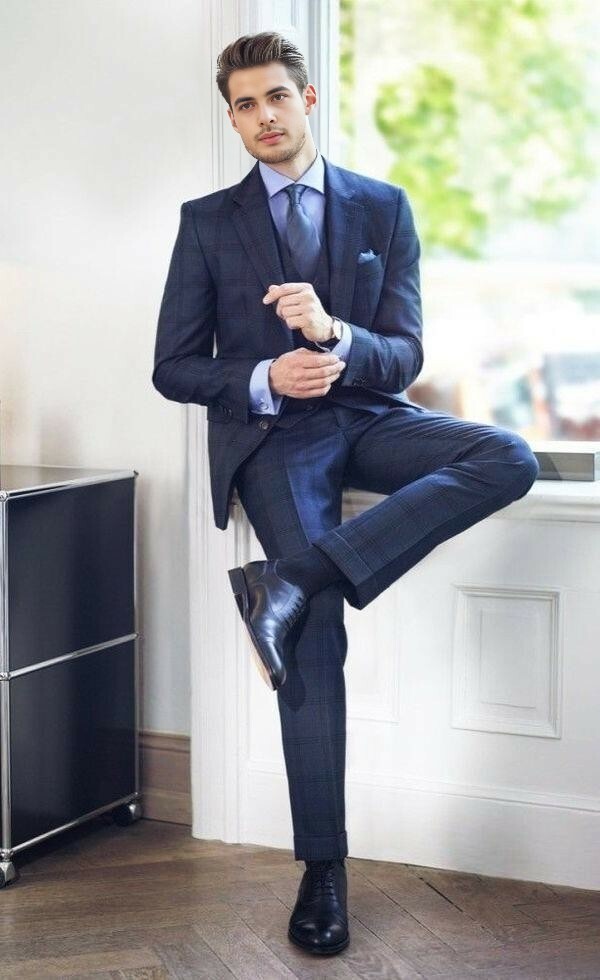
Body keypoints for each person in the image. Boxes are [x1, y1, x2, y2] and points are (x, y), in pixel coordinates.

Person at [152, 30, 539, 957]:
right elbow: (173, 366)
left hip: (369, 416)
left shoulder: (382, 206)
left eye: (276, 97)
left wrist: (335, 335)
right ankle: (323, 869)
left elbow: (404, 353)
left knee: (508, 456)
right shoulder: (207, 222)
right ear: (233, 117)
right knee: (314, 638)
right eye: (244, 105)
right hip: (276, 438)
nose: (263, 117)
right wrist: (264, 377)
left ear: (309, 98)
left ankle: (290, 578)